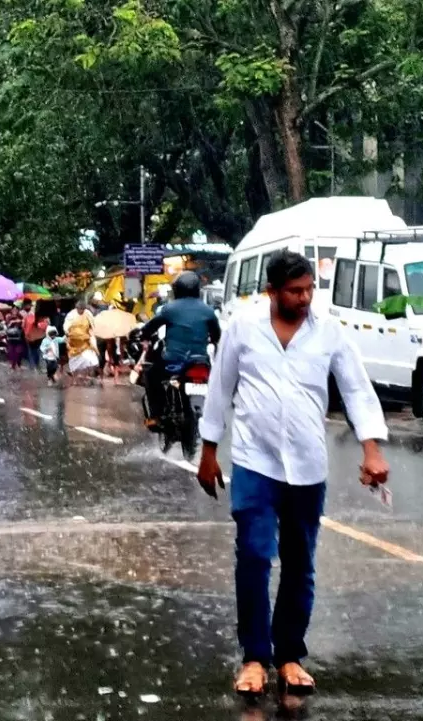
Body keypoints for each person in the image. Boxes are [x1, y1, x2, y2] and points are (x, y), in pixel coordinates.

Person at [196, 251, 389, 697]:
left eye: (308, 291)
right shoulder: (244, 327)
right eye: (295, 291)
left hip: (307, 466)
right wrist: (208, 452)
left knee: (300, 564)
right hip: (253, 462)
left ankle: (288, 657)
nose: (304, 299)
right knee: (255, 557)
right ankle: (253, 658)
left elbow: (357, 389)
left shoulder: (330, 333)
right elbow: (220, 389)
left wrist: (372, 451)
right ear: (272, 292)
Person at [140, 272, 222, 427]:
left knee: (151, 375)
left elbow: (150, 327)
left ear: (177, 289)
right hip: (200, 361)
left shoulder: (169, 309)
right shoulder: (208, 311)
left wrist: (143, 336)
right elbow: (217, 336)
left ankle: (156, 416)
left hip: (174, 361)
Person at [64, 310, 99, 384]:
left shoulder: (88, 332)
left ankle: (78, 379)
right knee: (81, 364)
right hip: (78, 350)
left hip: (81, 350)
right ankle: (78, 379)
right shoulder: (75, 332)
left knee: (83, 363)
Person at [23, 303, 49, 370]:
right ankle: (41, 368)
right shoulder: (44, 318)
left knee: (31, 353)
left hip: (30, 338)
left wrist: (27, 335)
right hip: (40, 337)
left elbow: (23, 326)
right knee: (40, 353)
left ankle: (33, 368)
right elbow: (46, 328)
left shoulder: (29, 316)